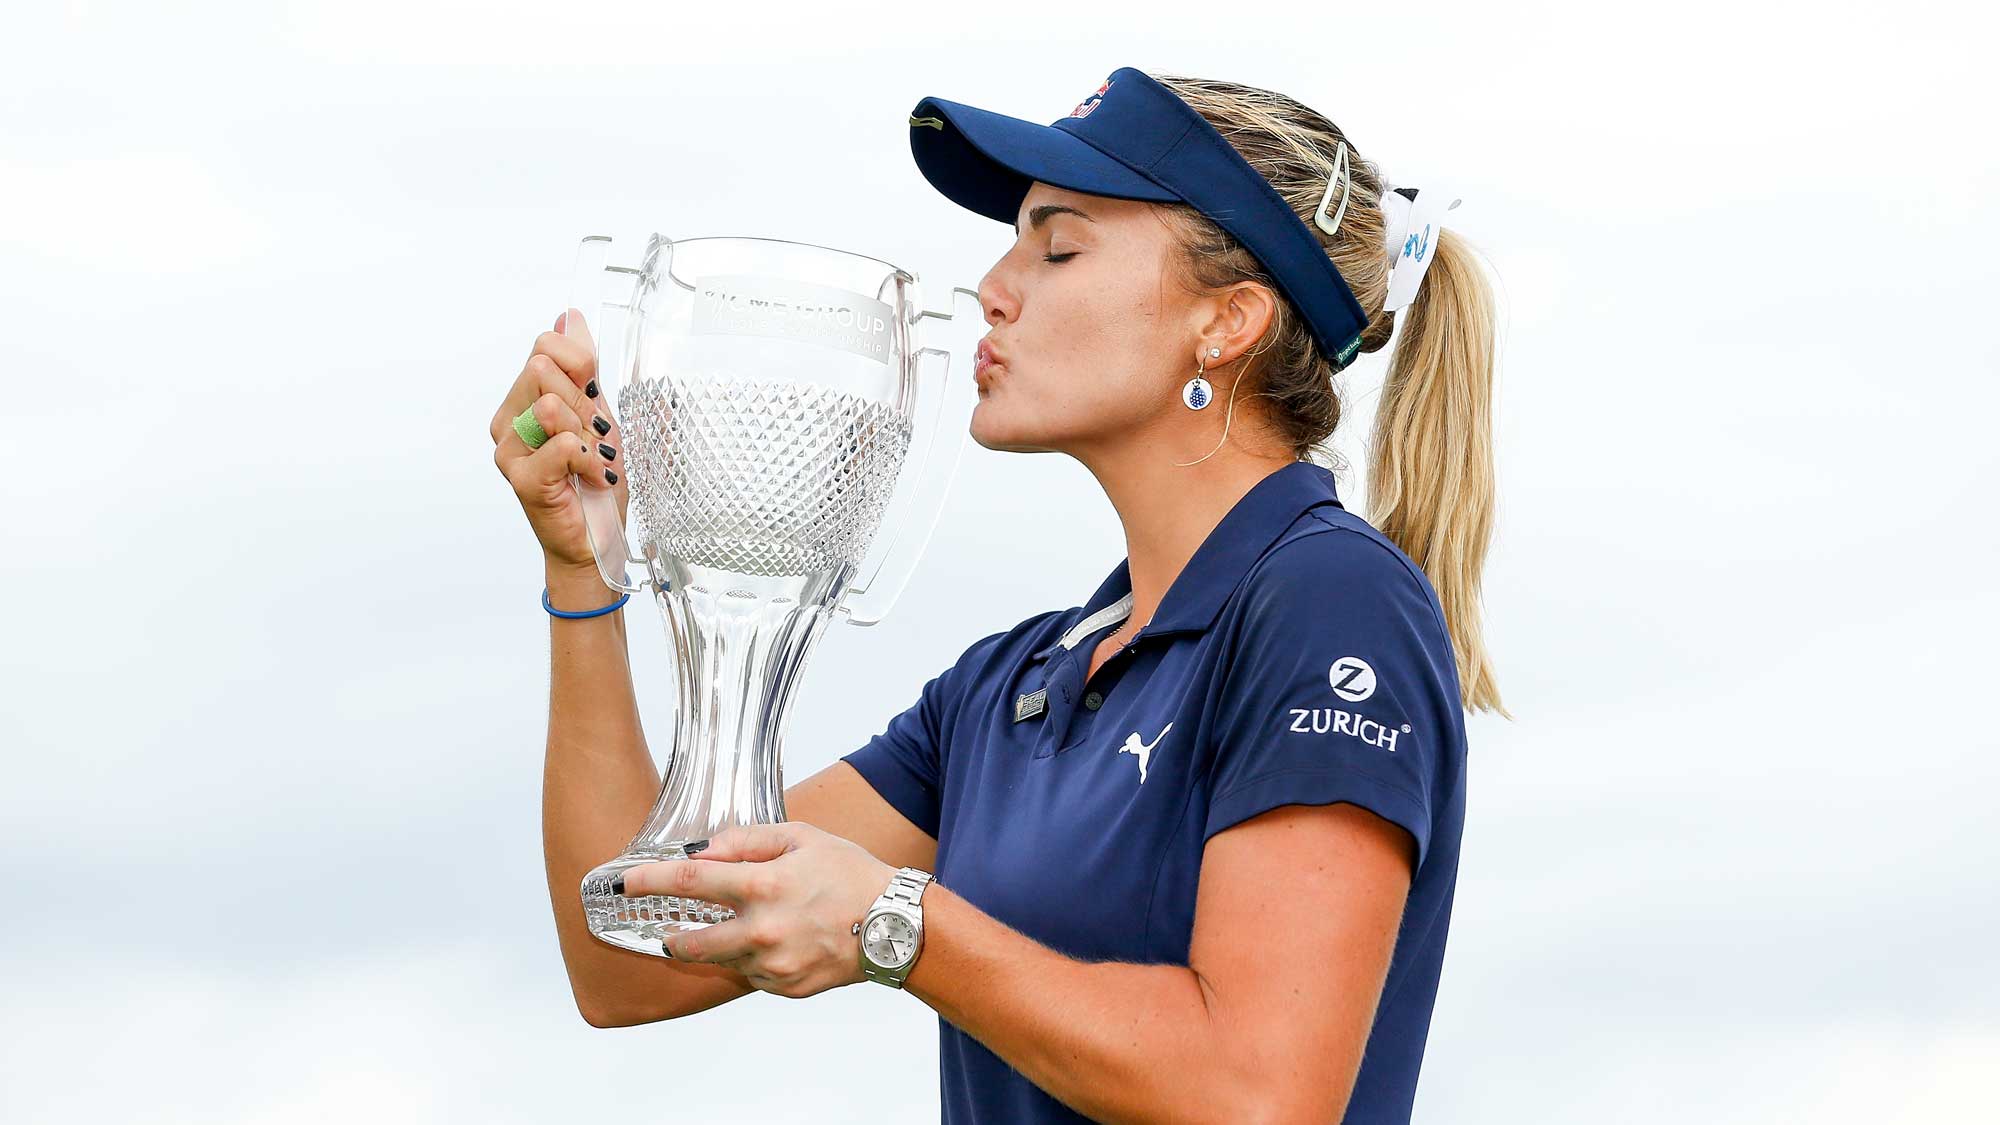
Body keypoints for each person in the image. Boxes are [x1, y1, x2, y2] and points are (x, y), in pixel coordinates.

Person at [490, 66, 1506, 1125]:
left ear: (1227, 321)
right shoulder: (1004, 689)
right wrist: (585, 573)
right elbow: (635, 962)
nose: (994, 284)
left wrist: (899, 926)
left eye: (1056, 245)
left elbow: (1257, 1093)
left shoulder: (1328, 598)